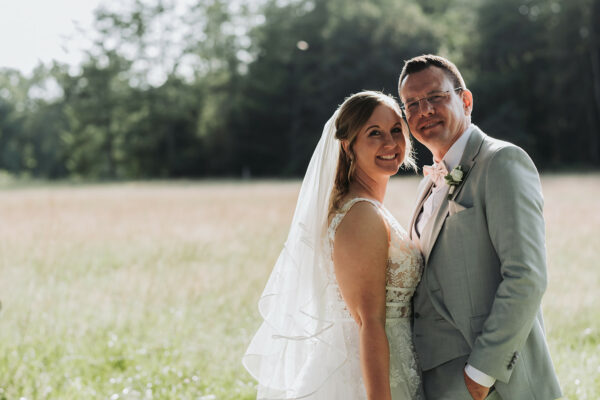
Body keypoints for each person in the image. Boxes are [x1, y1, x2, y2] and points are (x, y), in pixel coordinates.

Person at [398, 54, 562, 399]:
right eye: (411, 104)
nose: (423, 110)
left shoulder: (501, 161)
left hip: (490, 383)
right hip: (435, 379)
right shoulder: (426, 184)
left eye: (435, 97)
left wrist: (482, 371)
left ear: (465, 99)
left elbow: (526, 275)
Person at [243, 91, 425, 399]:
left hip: (393, 364)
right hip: (367, 380)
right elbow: (369, 321)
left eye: (396, 130)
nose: (391, 143)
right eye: (374, 133)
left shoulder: (365, 207)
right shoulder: (360, 215)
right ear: (348, 146)